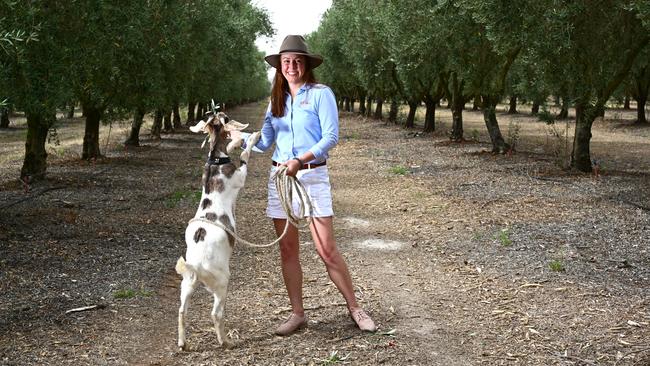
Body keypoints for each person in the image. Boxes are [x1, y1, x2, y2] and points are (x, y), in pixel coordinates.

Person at [238, 35, 376, 336]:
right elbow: (265, 141)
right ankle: (298, 314)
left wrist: (300, 160)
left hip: (311, 176)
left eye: (297, 61)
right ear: (279, 66)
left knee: (326, 248)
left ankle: (354, 307)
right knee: (288, 251)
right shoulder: (276, 99)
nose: (291, 66)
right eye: (286, 61)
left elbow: (331, 137)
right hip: (280, 180)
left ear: (306, 65)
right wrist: (237, 138)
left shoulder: (320, 94)